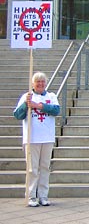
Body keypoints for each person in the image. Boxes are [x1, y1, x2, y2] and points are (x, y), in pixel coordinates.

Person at [13, 72, 60, 207]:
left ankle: (43, 195)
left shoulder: (51, 96)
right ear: (33, 84)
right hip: (32, 138)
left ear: (45, 83)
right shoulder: (27, 96)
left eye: (42, 81)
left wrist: (38, 105)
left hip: (47, 137)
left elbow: (56, 110)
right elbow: (18, 115)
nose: (40, 84)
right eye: (37, 82)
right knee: (32, 169)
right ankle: (31, 196)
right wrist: (26, 104)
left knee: (45, 167)